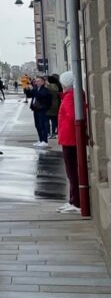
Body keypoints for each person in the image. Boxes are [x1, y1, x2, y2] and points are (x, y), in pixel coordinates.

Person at [56, 70, 84, 213]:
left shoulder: (69, 97)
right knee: (72, 171)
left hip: (70, 139)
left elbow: (74, 116)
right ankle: (73, 200)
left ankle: (77, 202)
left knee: (72, 171)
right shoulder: (72, 95)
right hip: (71, 137)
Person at [30, 75, 53, 147]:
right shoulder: (36, 89)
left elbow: (40, 96)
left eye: (39, 81)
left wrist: (33, 90)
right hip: (36, 109)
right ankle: (40, 139)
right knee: (37, 125)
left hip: (42, 109)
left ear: (43, 82)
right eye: (36, 81)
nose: (37, 82)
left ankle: (44, 140)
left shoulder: (45, 90)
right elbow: (30, 95)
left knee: (42, 125)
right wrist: (28, 90)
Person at [46, 74, 62, 138]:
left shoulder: (47, 88)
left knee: (47, 121)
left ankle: (48, 133)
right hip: (56, 105)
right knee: (54, 121)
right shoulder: (58, 86)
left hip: (48, 105)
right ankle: (54, 133)